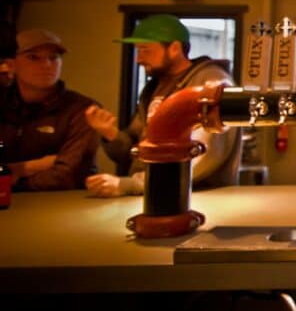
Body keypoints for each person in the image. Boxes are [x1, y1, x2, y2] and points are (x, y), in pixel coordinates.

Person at [83, 14, 241, 196]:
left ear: (174, 48)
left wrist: (131, 185)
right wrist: (111, 134)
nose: (138, 59)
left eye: (145, 50)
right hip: (153, 195)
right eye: (137, 50)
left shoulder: (211, 83)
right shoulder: (154, 88)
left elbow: (202, 155)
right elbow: (139, 153)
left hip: (196, 198)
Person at [0, 29, 99, 190]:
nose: (46, 65)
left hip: (59, 206)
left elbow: (68, 174)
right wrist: (32, 166)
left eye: (54, 58)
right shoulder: (4, 104)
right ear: (12, 65)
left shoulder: (82, 109)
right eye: (33, 57)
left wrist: (11, 180)